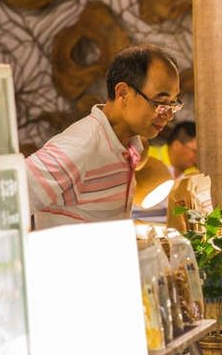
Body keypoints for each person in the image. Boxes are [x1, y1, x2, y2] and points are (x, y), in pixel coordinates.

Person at [26, 45, 181, 229]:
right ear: (123, 93)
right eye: (160, 103)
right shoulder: (80, 146)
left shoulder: (131, 145)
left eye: (173, 104)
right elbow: (3, 202)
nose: (168, 115)